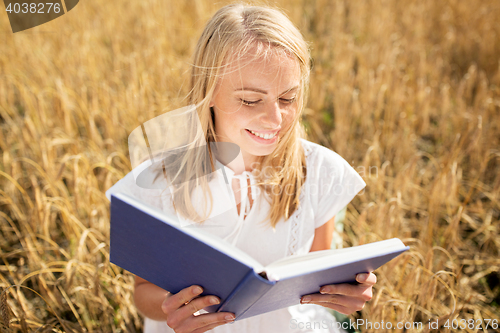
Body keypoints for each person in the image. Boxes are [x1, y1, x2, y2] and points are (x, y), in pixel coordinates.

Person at [105, 3, 376, 332]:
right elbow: (142, 292)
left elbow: (317, 277)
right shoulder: (160, 181)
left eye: (288, 98)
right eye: (250, 100)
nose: (276, 120)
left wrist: (341, 296)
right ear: (208, 91)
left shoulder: (318, 171)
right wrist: (171, 309)